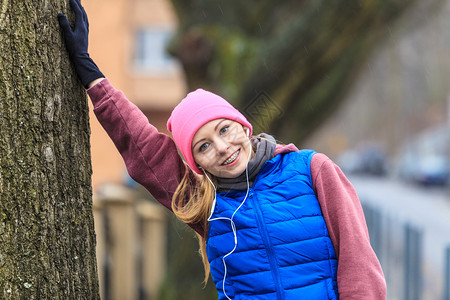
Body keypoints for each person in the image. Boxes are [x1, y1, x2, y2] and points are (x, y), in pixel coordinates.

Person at [58, 0, 387, 299]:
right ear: (196, 162)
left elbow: (359, 264)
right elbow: (142, 145)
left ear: (243, 126)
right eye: (203, 146)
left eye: (224, 129)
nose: (222, 148)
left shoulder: (313, 169)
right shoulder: (204, 202)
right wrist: (91, 74)